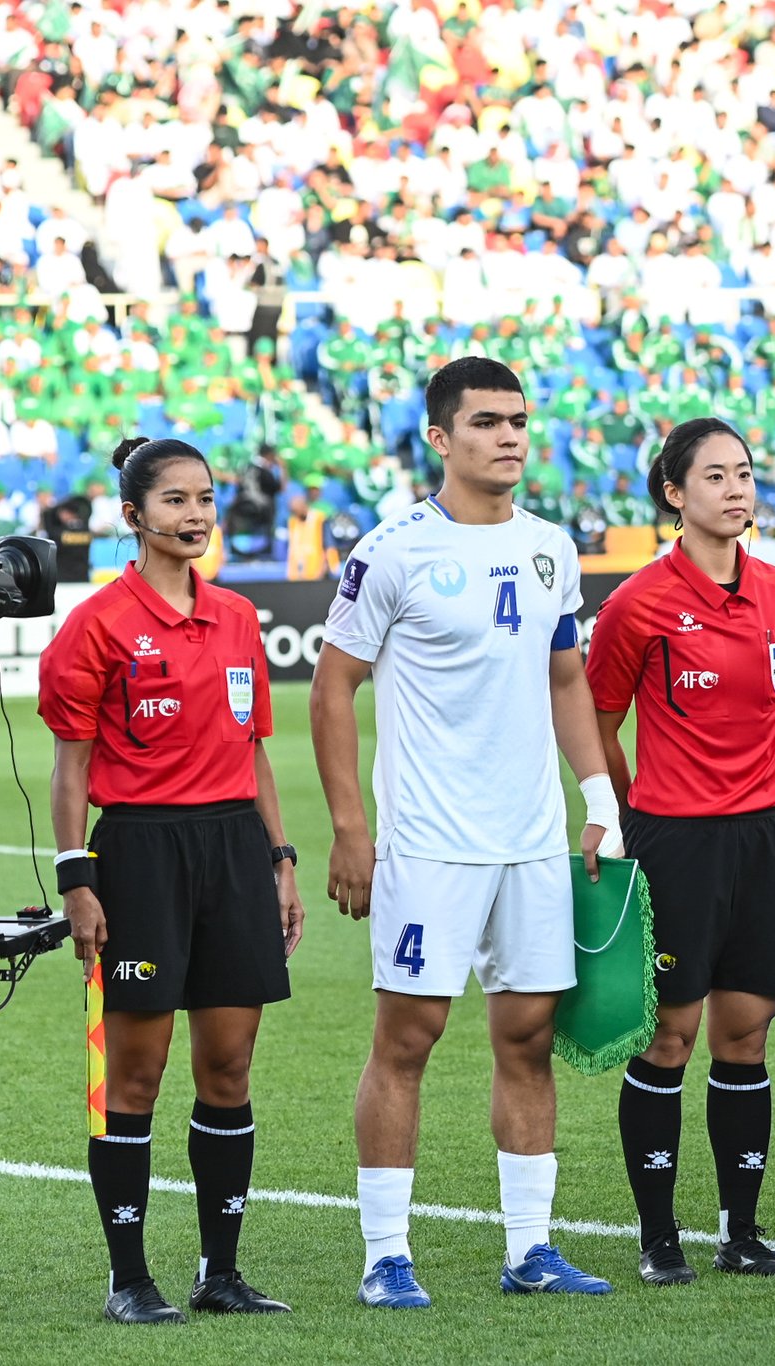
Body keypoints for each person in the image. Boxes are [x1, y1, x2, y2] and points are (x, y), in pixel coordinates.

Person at [311, 356, 621, 1309]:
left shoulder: (552, 546)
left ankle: (531, 1249)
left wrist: (599, 796)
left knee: (527, 1039)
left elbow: (567, 681)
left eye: (519, 421)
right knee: (410, 1035)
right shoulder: (394, 549)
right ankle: (385, 1255)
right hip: (429, 843)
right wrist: (351, 828)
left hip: (531, 841)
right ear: (441, 439)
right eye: (487, 423)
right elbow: (333, 686)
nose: (511, 437)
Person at [37, 436, 301, 1324]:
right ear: (134, 516)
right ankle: (129, 1280)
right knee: (136, 1077)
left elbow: (254, 751)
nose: (196, 515)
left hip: (233, 849)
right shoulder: (97, 625)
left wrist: (279, 859)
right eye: (177, 500)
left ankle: (219, 1275)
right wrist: (79, 881)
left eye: (206, 498)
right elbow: (70, 768)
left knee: (228, 1067)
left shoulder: (234, 617)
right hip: (140, 856)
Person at [585, 417, 775, 1286]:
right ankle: (657, 1236)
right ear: (674, 496)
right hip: (673, 841)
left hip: (764, 837)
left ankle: (741, 1232)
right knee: (673, 1036)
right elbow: (600, 722)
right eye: (714, 476)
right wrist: (625, 808)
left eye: (745, 473)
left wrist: (747, 784)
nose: (736, 489)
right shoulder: (638, 602)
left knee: (746, 1036)